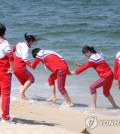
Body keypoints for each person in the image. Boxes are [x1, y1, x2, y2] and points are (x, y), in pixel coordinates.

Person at [12, 33, 37, 99]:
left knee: (23, 82)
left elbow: (11, 50)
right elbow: (25, 59)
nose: (32, 44)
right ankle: (22, 92)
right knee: (31, 79)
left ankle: (21, 97)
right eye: (33, 42)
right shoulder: (26, 48)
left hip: (14, 68)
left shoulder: (19, 44)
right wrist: (31, 65)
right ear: (30, 41)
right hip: (20, 67)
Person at [0, 23, 14, 123]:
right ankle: (5, 117)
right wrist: (12, 68)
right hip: (4, 71)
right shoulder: (5, 44)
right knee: (5, 94)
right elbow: (11, 57)